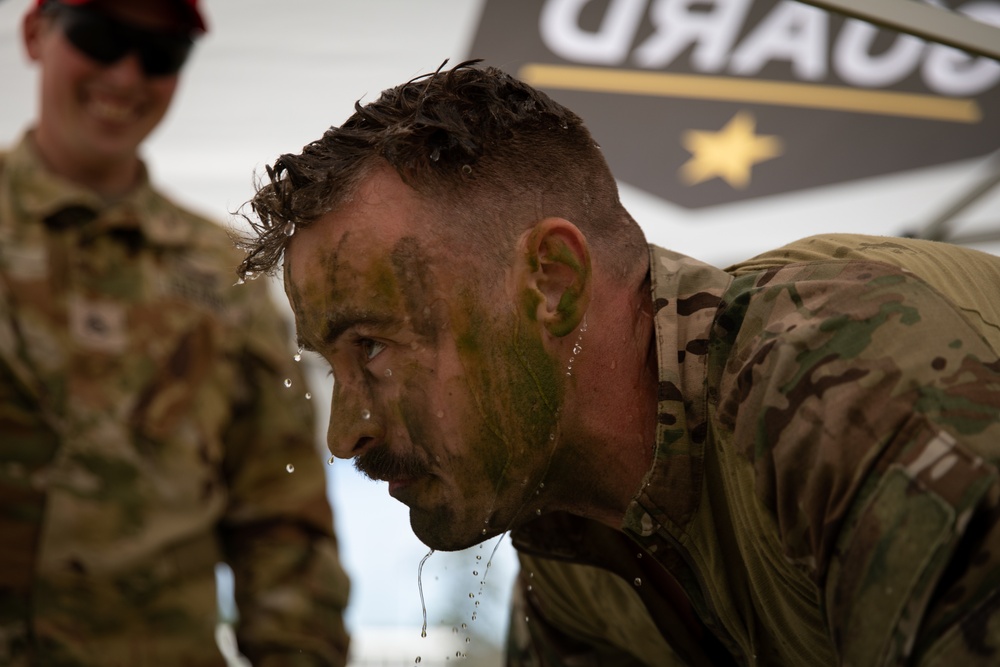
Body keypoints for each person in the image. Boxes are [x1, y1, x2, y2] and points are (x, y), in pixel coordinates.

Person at [236, 60, 1000, 666]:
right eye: (334, 366)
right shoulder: (561, 513)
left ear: (553, 284)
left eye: (372, 344)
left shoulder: (839, 383)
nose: (344, 436)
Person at [0, 1, 351, 665]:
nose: (128, 75)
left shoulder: (226, 278)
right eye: (101, 38)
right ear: (33, 33)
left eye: (161, 54)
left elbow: (283, 522)